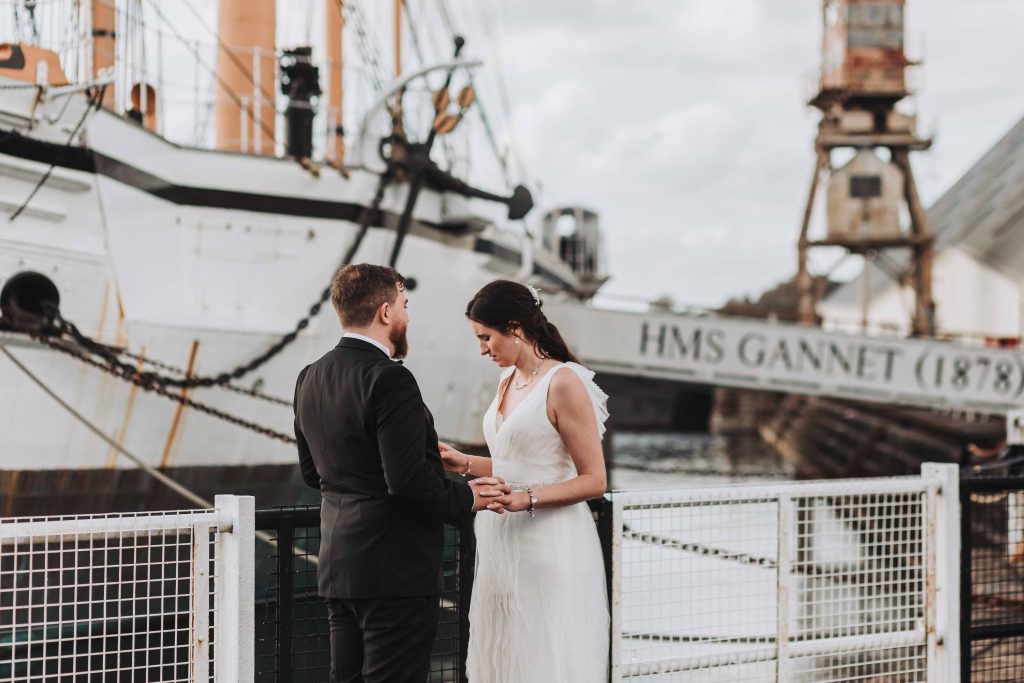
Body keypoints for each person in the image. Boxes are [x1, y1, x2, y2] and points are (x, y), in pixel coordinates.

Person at [294, 263, 510, 683]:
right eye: (404, 304)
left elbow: (312, 473)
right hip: (396, 574)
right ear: (386, 313)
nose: (407, 315)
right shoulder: (391, 380)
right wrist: (469, 497)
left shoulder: (310, 377)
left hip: (339, 568)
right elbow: (408, 482)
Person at [440, 279, 610, 682]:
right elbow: (515, 462)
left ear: (515, 328)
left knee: (539, 660)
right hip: (500, 544)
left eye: (486, 337)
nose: (482, 349)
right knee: (504, 659)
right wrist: (464, 461)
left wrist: (525, 499)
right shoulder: (508, 379)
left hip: (548, 547)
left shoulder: (564, 382)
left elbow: (594, 480)